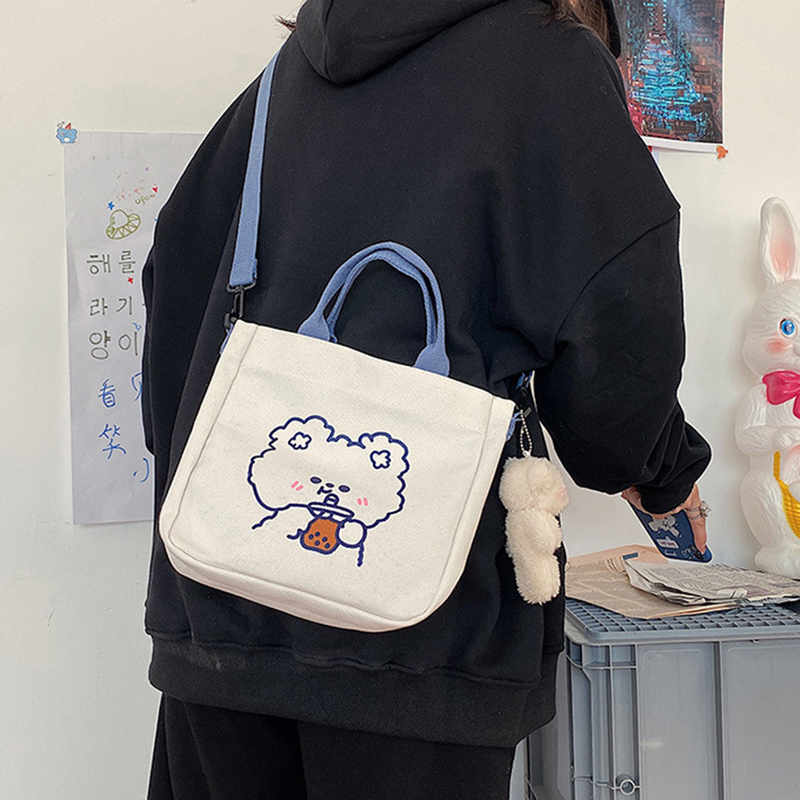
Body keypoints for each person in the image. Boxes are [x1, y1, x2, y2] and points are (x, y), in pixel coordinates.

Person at [141, 1, 711, 798]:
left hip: (218, 609)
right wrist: (662, 472)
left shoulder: (288, 75)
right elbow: (615, 331)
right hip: (417, 639)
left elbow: (174, 285)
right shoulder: (550, 62)